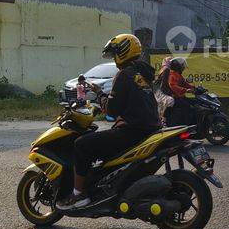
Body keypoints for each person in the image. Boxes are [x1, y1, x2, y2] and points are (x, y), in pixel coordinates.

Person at [57, 34, 160, 210]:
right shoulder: (142, 75)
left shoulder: (123, 75)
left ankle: (79, 195)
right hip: (149, 129)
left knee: (82, 144)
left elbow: (112, 110)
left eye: (114, 54)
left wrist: (99, 95)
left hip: (132, 132)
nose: (114, 58)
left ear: (123, 52)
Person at [164, 57, 197, 127]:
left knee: (196, 103)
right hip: (175, 98)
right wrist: (186, 90)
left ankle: (194, 124)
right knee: (188, 107)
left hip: (180, 97)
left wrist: (194, 88)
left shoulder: (178, 75)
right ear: (177, 66)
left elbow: (185, 84)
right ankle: (186, 126)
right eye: (182, 66)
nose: (183, 68)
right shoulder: (172, 75)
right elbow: (172, 86)